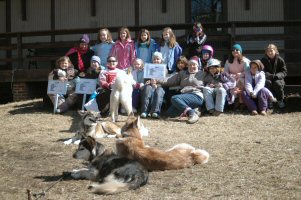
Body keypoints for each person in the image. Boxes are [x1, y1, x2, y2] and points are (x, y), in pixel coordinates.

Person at [158, 56, 204, 124]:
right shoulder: (182, 73)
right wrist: (157, 80)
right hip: (184, 96)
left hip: (196, 95)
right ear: (187, 66)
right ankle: (194, 110)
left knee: (174, 98)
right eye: (190, 65)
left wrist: (216, 84)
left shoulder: (202, 73)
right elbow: (170, 81)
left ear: (197, 65)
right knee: (170, 113)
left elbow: (213, 78)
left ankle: (191, 114)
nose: (192, 66)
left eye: (194, 65)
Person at [261, 44, 287, 109]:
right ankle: (269, 100)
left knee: (277, 84)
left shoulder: (280, 60)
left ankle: (280, 100)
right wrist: (269, 75)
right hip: (268, 78)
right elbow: (262, 70)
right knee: (267, 83)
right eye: (268, 51)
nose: (270, 53)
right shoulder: (263, 60)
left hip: (278, 78)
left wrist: (277, 76)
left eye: (271, 51)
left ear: (275, 51)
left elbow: (284, 71)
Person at [224, 43, 250, 108]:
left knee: (241, 82)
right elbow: (225, 72)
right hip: (231, 79)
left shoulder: (245, 61)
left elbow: (247, 71)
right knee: (231, 84)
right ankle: (234, 101)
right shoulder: (228, 61)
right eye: (233, 50)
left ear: (240, 51)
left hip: (242, 78)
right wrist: (230, 76)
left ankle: (242, 100)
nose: (235, 51)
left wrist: (241, 74)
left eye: (237, 50)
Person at [140, 52, 165, 119]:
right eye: (154, 59)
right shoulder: (148, 68)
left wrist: (157, 82)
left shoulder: (164, 69)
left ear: (161, 60)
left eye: (158, 59)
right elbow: (145, 80)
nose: (156, 60)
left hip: (159, 86)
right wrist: (149, 82)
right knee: (147, 89)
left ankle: (155, 112)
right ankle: (145, 111)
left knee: (159, 91)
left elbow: (165, 80)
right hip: (149, 85)